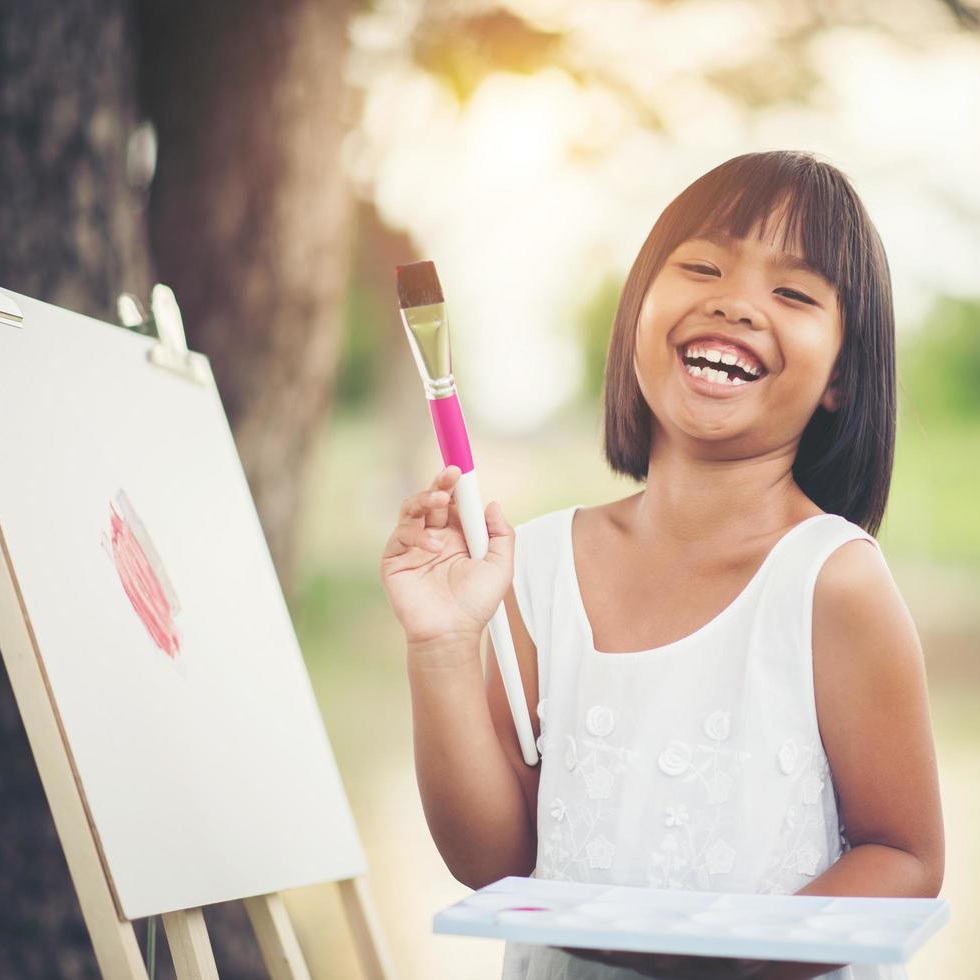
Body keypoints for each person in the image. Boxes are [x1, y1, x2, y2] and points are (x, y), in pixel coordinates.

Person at [382, 150, 944, 980]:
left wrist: (736, 965)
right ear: (637, 310)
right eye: (702, 266)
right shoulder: (531, 564)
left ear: (839, 380)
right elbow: (494, 859)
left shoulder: (832, 580)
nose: (737, 301)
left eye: (791, 293)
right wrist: (439, 647)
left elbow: (905, 857)